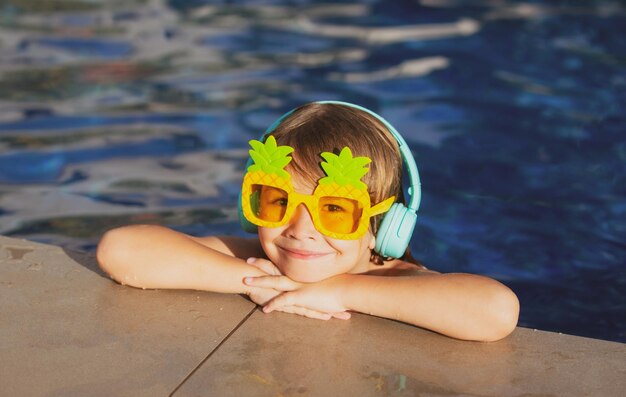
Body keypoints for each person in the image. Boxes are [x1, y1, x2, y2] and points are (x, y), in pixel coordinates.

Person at [96, 101, 519, 342]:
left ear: (389, 224)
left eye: (334, 209)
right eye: (278, 201)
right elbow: (123, 249)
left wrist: (339, 291)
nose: (301, 228)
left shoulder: (396, 279)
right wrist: (271, 285)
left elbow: (495, 310)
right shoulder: (269, 260)